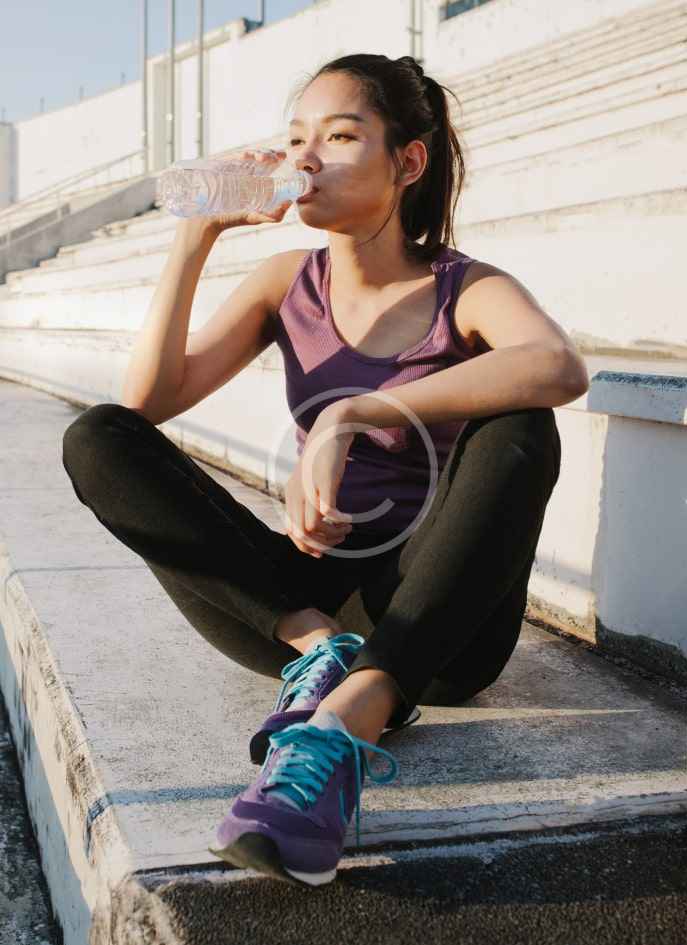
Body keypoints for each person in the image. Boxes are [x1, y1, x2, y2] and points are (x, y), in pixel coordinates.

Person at [61, 53, 588, 888]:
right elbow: (147, 402)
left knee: (523, 421)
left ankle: (356, 710)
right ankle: (326, 658)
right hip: (296, 607)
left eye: (339, 137)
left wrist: (354, 412)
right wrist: (193, 240)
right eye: (296, 137)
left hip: (439, 621)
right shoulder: (285, 282)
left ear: (406, 162)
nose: (306, 158)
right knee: (98, 436)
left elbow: (556, 364)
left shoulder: (464, 288)